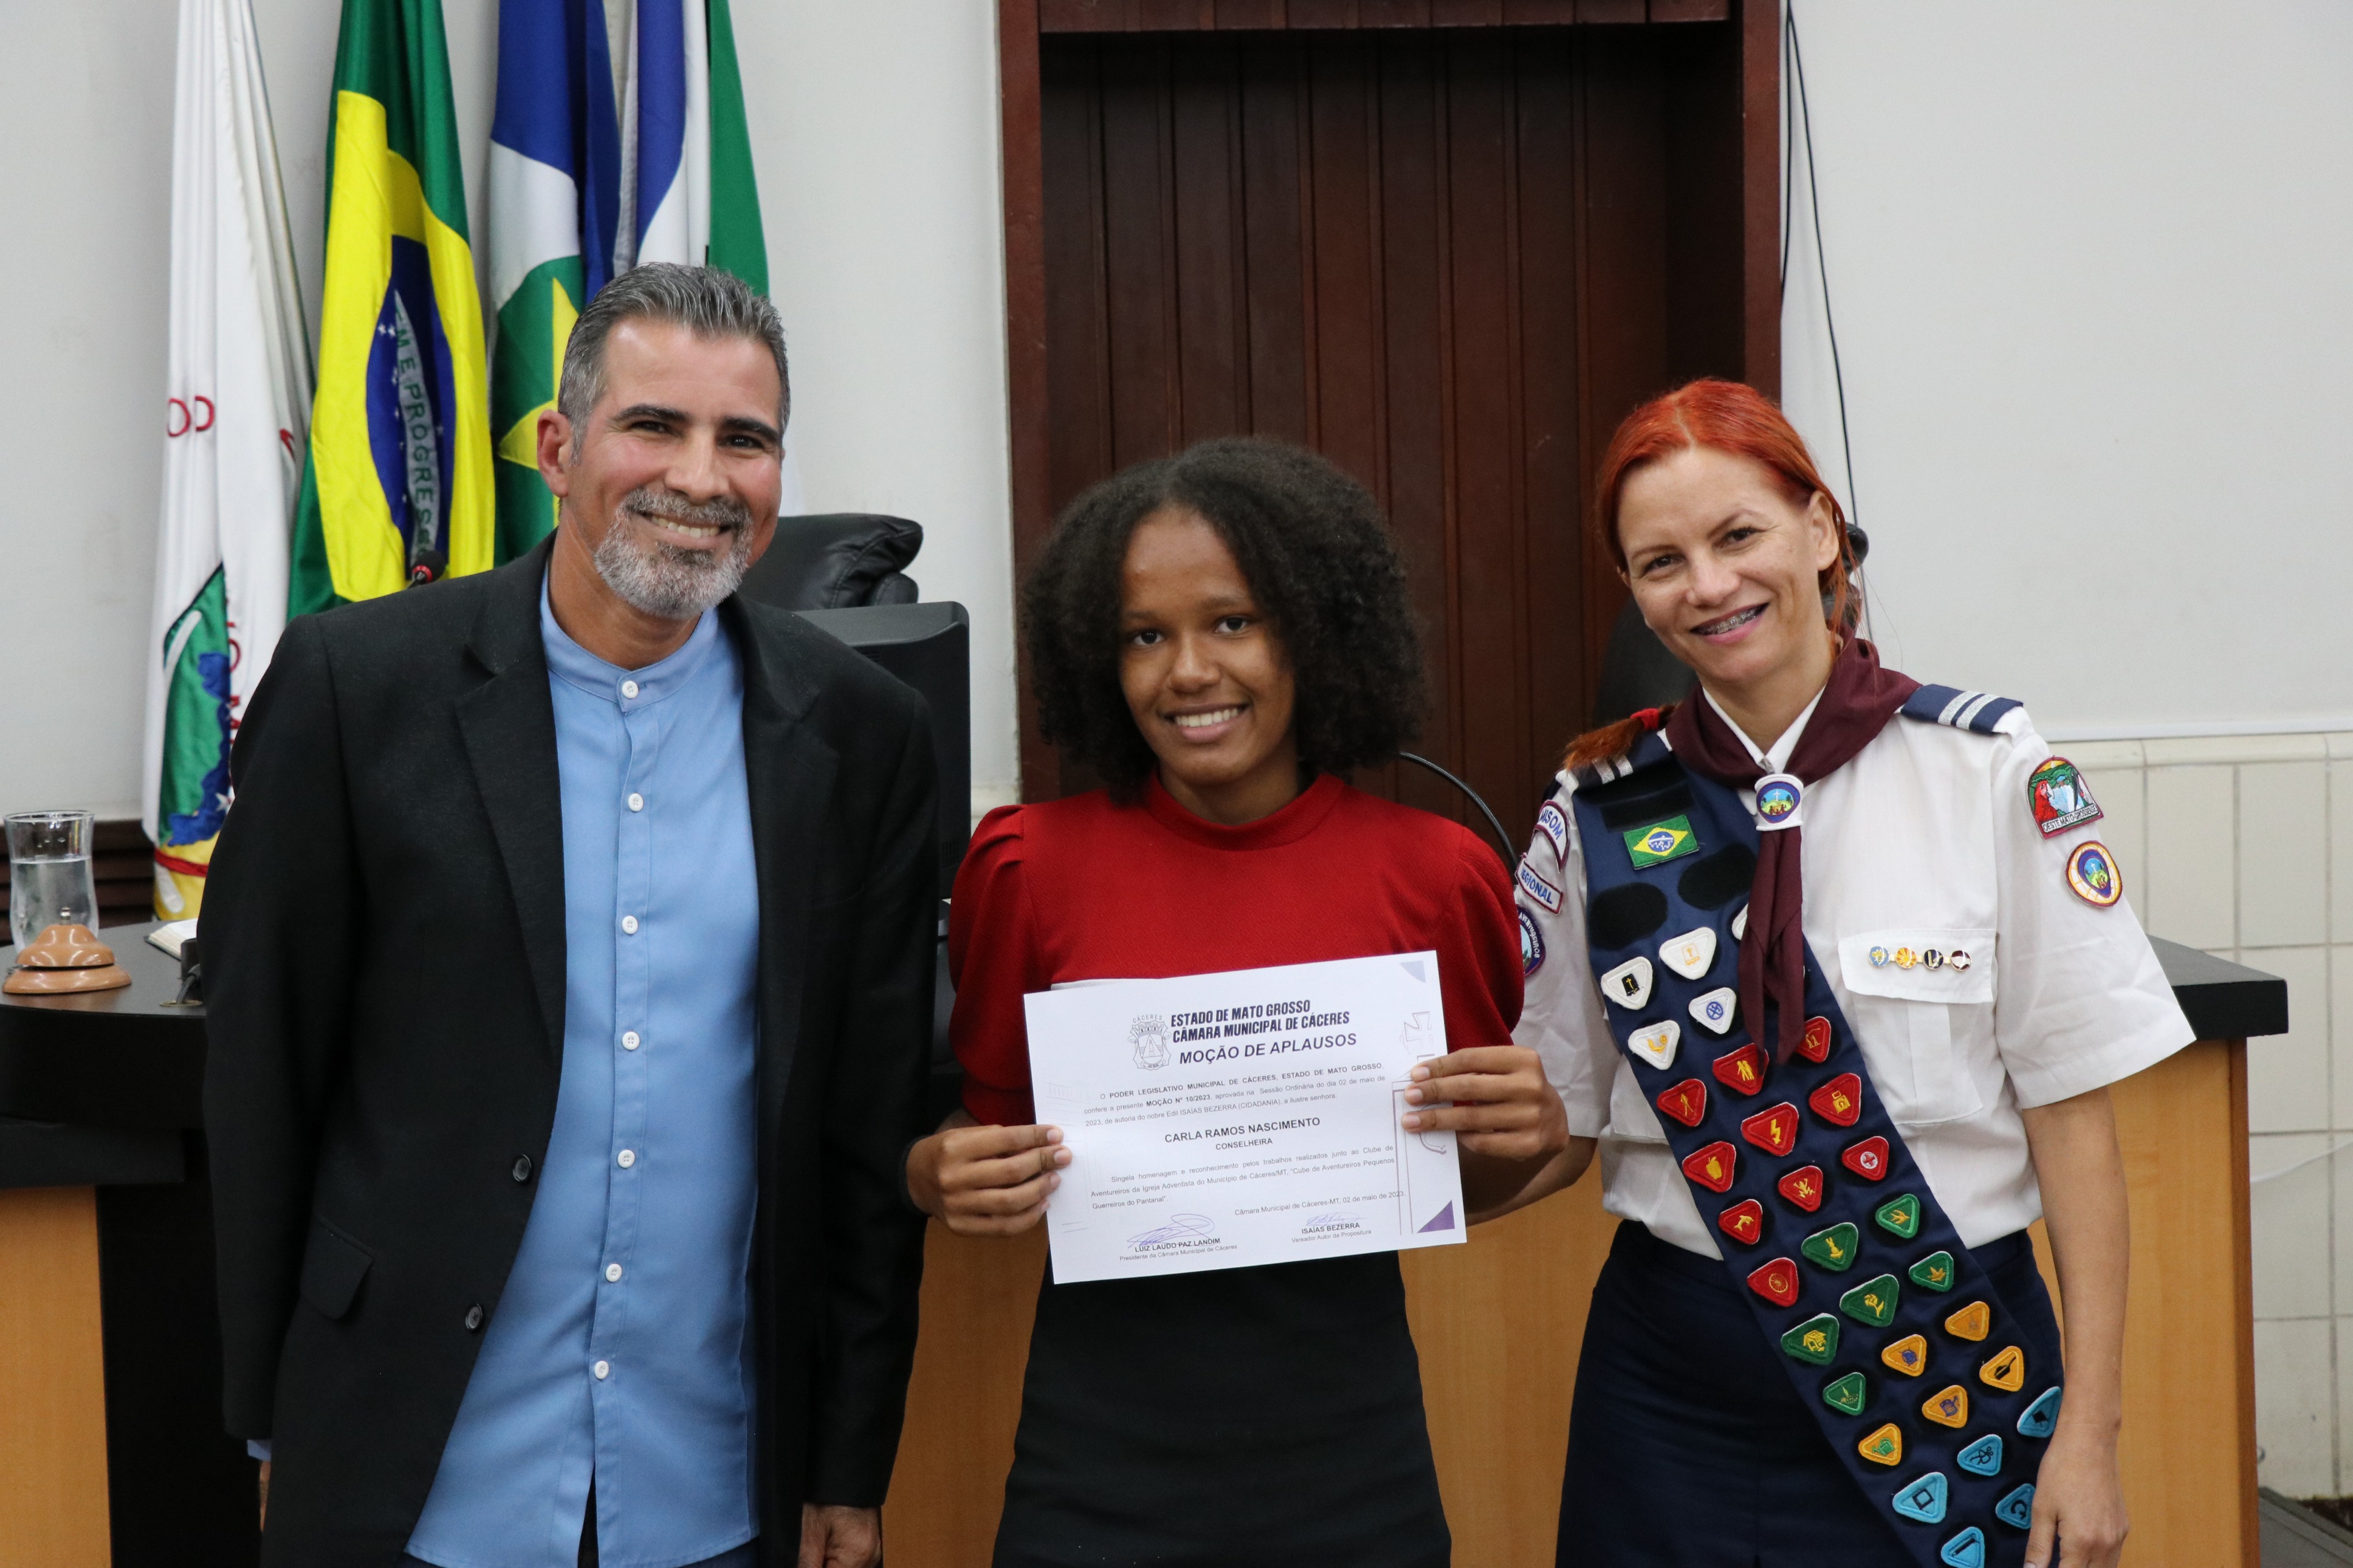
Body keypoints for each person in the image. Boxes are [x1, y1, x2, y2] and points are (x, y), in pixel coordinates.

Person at [201, 264, 938, 1568]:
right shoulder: (356, 688)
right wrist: (275, 1421)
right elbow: (264, 1076)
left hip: (714, 1479)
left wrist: (847, 1457)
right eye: (654, 425)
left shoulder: (862, 733)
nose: (701, 478)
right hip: (409, 1462)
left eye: (746, 440)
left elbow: (864, 1130)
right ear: (558, 447)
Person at [1496, 381, 2189, 1568]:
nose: (1708, 584)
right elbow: (1555, 1127)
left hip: (1946, 1366)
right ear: (1633, 591)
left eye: (1738, 535)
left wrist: (2091, 1428)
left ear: (1820, 528)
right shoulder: (1598, 813)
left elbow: (2071, 1117)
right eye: (1661, 561)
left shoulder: (1986, 772)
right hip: (1669, 1392)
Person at [904, 437, 1567, 1567]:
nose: (1188, 671)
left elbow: (1458, 1182)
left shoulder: (1437, 875)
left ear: (1312, 631)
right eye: (1143, 636)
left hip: (1352, 1466)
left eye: (1232, 622)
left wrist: (1533, 1135)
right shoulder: (1025, 868)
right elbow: (993, 1137)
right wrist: (933, 1171)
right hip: (1094, 1465)